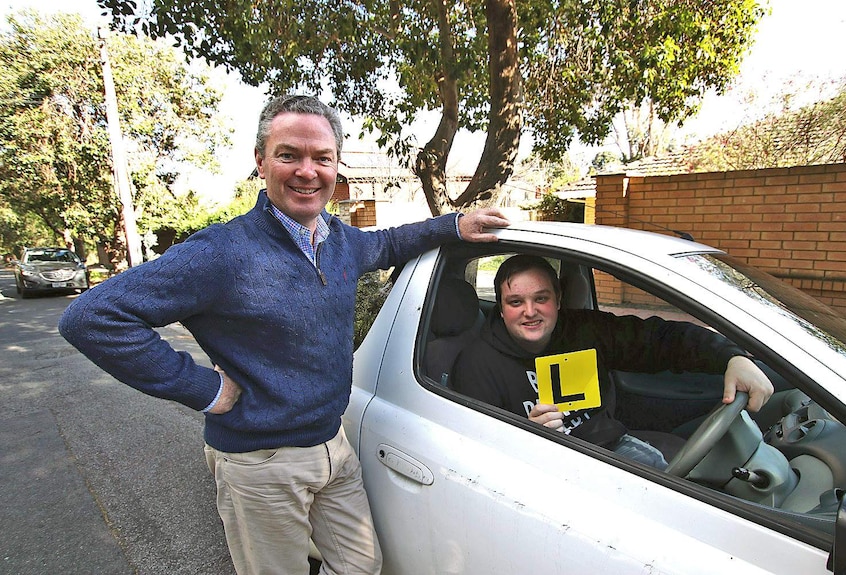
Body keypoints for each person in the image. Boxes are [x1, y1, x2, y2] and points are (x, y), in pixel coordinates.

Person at [58, 94, 509, 575]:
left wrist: (454, 224)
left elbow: (389, 242)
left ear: (337, 167)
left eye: (322, 158)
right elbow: (92, 318)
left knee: (361, 566)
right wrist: (204, 389)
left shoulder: (338, 240)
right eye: (289, 155)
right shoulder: (222, 252)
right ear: (261, 162)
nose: (307, 171)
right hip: (260, 463)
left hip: (333, 448)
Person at [450, 254, 773, 468]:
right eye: (515, 301)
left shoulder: (584, 331)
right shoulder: (476, 364)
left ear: (558, 300)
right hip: (545, 469)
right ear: (502, 307)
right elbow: (480, 458)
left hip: (610, 446)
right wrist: (526, 435)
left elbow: (661, 339)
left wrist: (731, 357)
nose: (530, 311)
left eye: (541, 299)